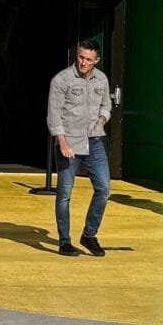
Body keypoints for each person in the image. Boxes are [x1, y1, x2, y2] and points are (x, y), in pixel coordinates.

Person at [48, 41, 115, 256]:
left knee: (104, 189)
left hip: (94, 141)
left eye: (88, 59)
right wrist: (63, 142)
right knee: (65, 193)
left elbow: (106, 104)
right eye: (81, 57)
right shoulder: (62, 80)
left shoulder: (102, 79)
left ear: (96, 60)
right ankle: (64, 241)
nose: (83, 62)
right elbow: (54, 114)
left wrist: (103, 119)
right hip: (70, 141)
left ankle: (89, 235)